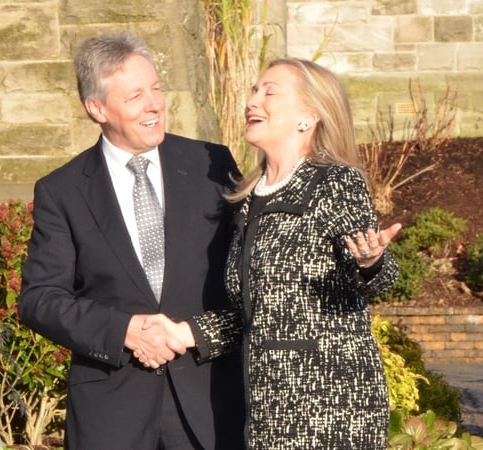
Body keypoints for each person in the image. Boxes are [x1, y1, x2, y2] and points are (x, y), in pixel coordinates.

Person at [138, 58, 402, 449]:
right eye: (254, 90)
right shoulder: (247, 198)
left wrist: (370, 261)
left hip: (331, 403)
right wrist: (184, 333)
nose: (253, 101)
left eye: (270, 92)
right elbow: (253, 313)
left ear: (308, 117)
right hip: (266, 407)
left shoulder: (335, 182)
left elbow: (373, 276)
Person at [18, 30, 244, 449]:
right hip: (112, 409)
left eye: (156, 89)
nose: (154, 104)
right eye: (135, 95)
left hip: (210, 400)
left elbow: (249, 276)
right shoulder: (62, 190)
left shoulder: (211, 164)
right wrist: (125, 330)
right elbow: (40, 299)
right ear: (97, 108)